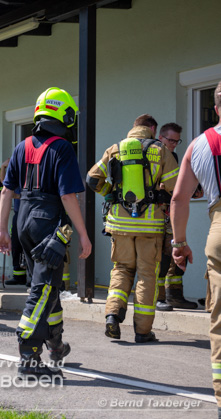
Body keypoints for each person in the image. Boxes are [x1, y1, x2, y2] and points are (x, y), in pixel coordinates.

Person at [0, 87, 91, 379]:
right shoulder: (63, 148)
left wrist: (3, 230)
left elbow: (6, 190)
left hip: (22, 220)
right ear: (65, 115)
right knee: (41, 291)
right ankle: (29, 357)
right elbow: (67, 197)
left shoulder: (22, 146)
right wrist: (84, 234)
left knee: (47, 287)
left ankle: (56, 344)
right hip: (49, 222)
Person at [87, 114, 179, 343]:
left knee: (121, 269)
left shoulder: (115, 149)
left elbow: (91, 179)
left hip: (119, 224)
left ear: (134, 128)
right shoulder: (161, 151)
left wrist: (110, 192)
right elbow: (175, 188)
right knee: (147, 276)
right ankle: (143, 331)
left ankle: (112, 316)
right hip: (150, 226)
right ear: (152, 129)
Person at [171, 81, 221, 415]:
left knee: (219, 321)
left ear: (216, 107)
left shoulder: (199, 144)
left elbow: (179, 198)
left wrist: (180, 243)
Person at [155, 123, 198, 311]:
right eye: (170, 140)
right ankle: (158, 297)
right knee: (162, 256)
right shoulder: (154, 156)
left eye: (176, 141)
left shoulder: (172, 156)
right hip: (156, 215)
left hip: (170, 213)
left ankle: (175, 295)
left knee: (177, 251)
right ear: (160, 138)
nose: (173, 144)